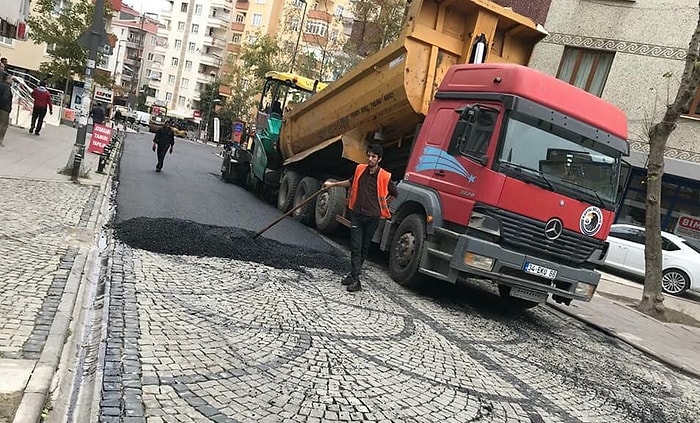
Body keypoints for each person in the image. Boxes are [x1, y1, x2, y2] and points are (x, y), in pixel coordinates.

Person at [322, 142, 397, 292]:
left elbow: (394, 193)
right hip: (357, 214)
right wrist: (332, 185)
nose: (370, 159)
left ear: (379, 159)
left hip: (373, 217)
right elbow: (349, 183)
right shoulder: (360, 169)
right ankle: (356, 280)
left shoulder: (384, 176)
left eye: (373, 157)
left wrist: (385, 205)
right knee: (355, 247)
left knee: (364, 248)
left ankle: (353, 275)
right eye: (369, 156)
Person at [0, 72, 12, 147]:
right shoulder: (7, 88)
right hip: (4, 108)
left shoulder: (1, 85)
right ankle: (0, 140)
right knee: (3, 125)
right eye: (11, 79)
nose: (12, 81)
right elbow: (5, 98)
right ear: (7, 79)